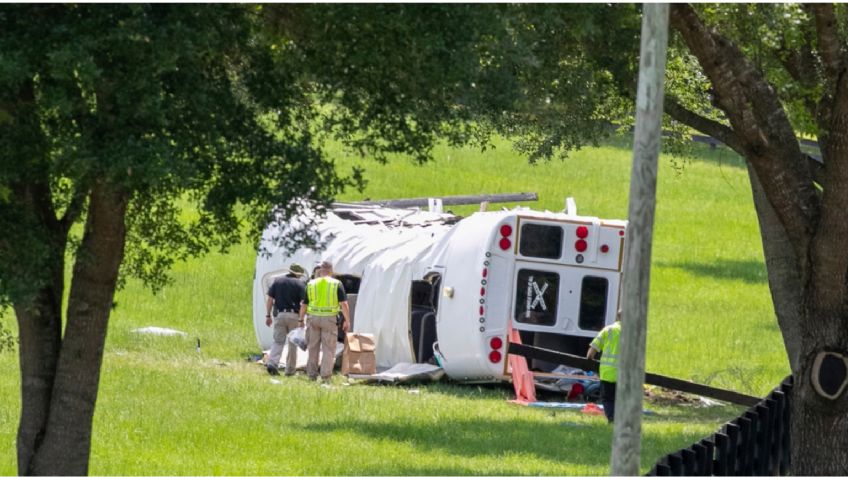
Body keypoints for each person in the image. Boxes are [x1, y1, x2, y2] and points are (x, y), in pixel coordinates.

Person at [299, 260, 350, 383]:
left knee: (313, 348)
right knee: (328, 348)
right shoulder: (336, 284)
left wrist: (301, 319)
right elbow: (344, 304)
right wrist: (347, 321)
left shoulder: (311, 284)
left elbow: (304, 304)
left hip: (313, 318)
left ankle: (311, 375)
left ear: (320, 270)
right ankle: (325, 377)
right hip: (329, 319)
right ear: (331, 271)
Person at [265, 264, 307, 376]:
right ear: (298, 274)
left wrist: (268, 315)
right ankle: (290, 370)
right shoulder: (300, 284)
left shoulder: (277, 281)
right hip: (294, 316)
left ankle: (272, 363)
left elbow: (270, 299)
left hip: (280, 315)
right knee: (293, 344)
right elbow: (303, 303)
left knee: (278, 341)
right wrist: (301, 319)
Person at [586, 311, 621, 423]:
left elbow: (591, 353)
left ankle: (611, 419)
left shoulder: (608, 330)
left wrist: (590, 360)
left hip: (607, 372)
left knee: (608, 399)